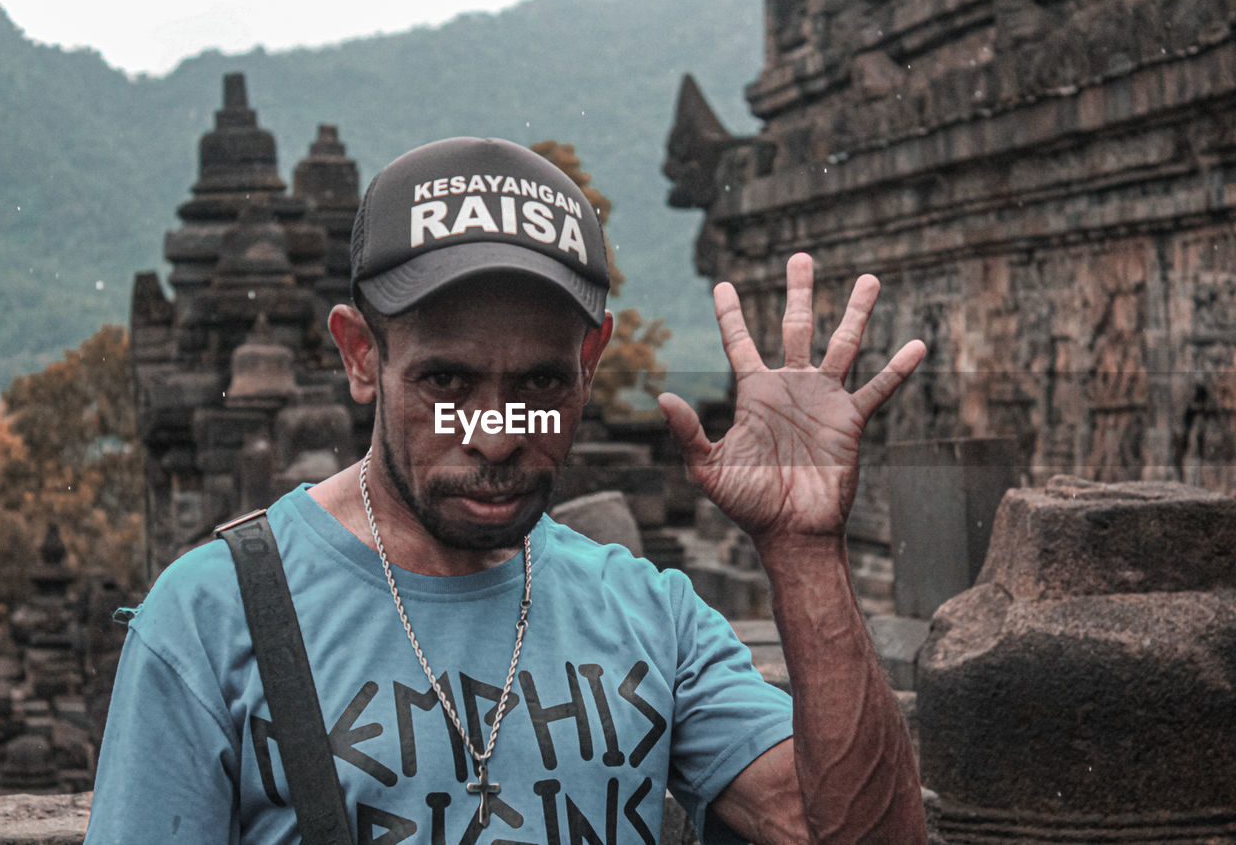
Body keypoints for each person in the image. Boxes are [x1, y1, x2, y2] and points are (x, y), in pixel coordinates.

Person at [84, 137, 927, 844]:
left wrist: (805, 551)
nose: (495, 433)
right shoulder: (212, 616)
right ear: (360, 356)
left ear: (589, 363)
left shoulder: (649, 615)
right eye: (446, 381)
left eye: (540, 384)